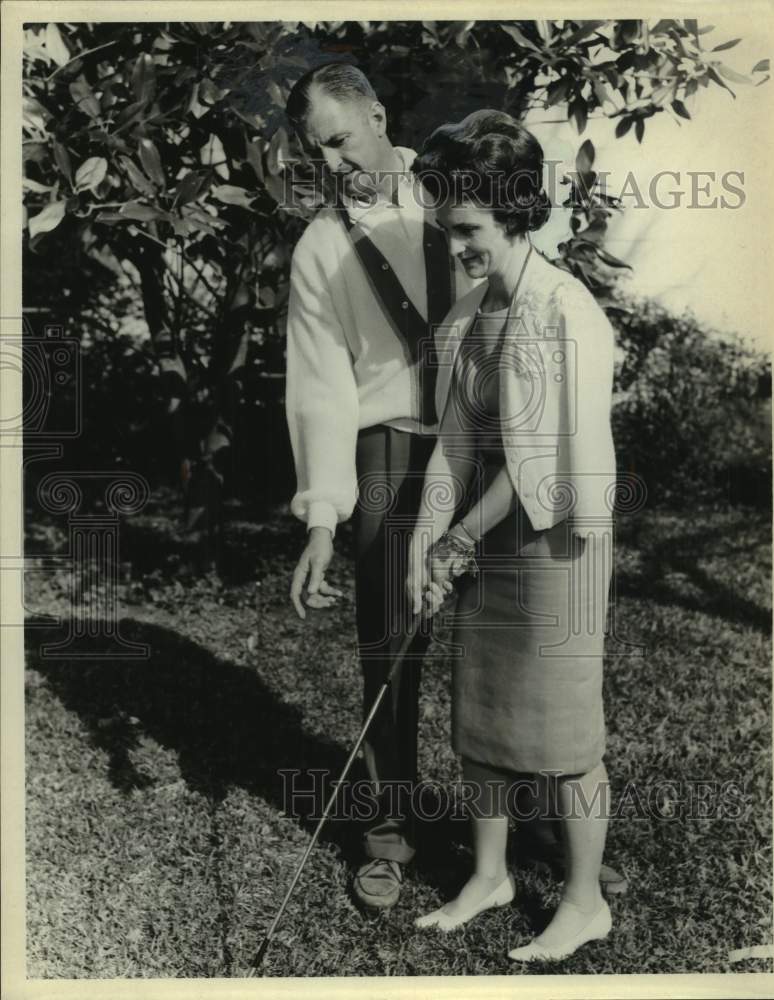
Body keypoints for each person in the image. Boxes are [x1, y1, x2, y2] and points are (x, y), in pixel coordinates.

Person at [406, 109, 618, 962]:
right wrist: (428, 545)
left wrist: (454, 545)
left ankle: (582, 899)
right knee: (481, 722)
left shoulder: (563, 310)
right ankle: (490, 875)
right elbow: (455, 449)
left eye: (466, 229)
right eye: (445, 228)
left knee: (563, 740)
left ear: (514, 213)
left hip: (557, 540)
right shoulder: (465, 321)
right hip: (487, 537)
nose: (455, 245)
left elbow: (536, 462)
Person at [283, 62, 470, 911]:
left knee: (516, 639)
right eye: (314, 151)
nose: (330, 163)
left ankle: (535, 822)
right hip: (389, 446)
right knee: (390, 641)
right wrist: (323, 517)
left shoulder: (456, 196)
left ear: (378, 117)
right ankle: (389, 826)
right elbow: (319, 386)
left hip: (484, 437)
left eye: (339, 140)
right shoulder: (320, 246)